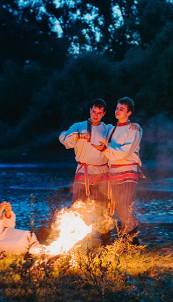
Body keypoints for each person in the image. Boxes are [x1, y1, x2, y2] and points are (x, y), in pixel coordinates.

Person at [59, 98, 113, 244]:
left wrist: (133, 127)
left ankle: (106, 242)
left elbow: (121, 137)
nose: (95, 115)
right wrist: (78, 136)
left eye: (99, 113)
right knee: (78, 206)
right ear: (90, 110)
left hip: (102, 172)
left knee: (103, 208)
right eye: (94, 112)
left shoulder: (108, 129)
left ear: (104, 114)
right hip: (83, 171)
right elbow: (63, 138)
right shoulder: (79, 126)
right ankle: (76, 242)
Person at [92, 97, 143, 245]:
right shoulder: (112, 129)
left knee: (126, 206)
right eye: (116, 108)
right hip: (113, 174)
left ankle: (132, 243)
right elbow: (98, 130)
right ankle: (126, 242)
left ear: (129, 112)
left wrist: (104, 149)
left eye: (121, 109)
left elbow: (123, 153)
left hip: (127, 172)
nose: (117, 111)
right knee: (119, 209)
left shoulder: (134, 129)